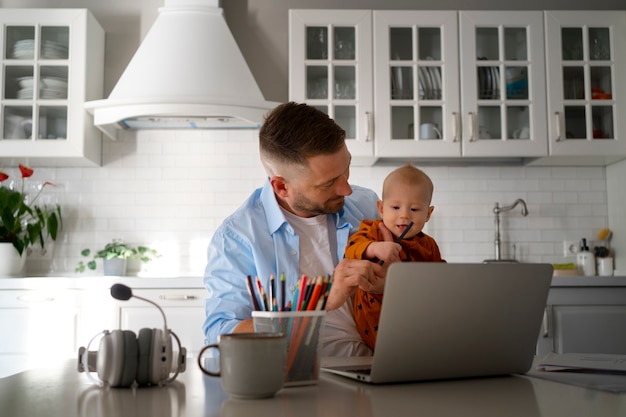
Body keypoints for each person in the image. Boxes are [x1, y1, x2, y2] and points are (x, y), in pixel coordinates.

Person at [202, 102, 389, 356]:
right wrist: (317, 303)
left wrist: (392, 281)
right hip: (295, 380)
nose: (347, 190)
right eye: (329, 183)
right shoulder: (237, 238)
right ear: (281, 187)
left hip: (378, 369)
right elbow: (221, 335)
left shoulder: (367, 205)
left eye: (346, 170)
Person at [344, 164, 444, 350]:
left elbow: (440, 280)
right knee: (389, 348)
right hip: (374, 317)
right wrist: (374, 248)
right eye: (396, 207)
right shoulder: (372, 230)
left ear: (428, 214)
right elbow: (352, 248)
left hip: (413, 313)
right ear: (381, 208)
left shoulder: (429, 245)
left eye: (414, 209)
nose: (404, 216)